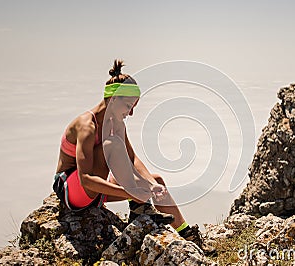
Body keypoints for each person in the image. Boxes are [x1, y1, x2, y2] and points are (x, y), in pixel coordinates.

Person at [54, 60, 202, 245]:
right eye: (129, 106)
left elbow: (132, 159)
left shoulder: (116, 124)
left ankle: (186, 233)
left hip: (95, 192)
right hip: (72, 191)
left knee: (157, 181)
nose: (131, 113)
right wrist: (130, 193)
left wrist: (149, 184)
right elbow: (86, 179)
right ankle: (140, 207)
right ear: (114, 99)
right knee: (113, 144)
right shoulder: (87, 126)